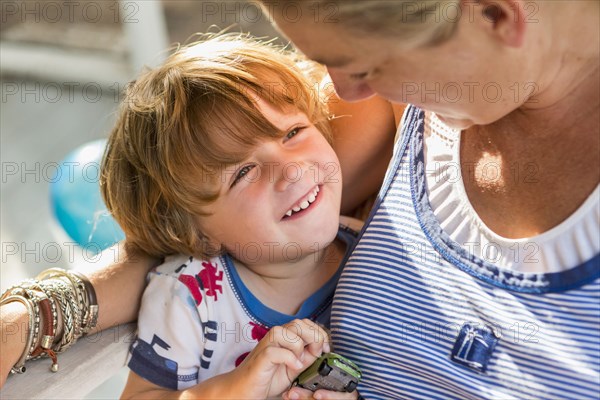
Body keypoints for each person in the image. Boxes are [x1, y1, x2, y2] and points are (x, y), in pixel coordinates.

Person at [3, 0, 598, 399]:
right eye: (327, 62)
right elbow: (202, 229)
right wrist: (39, 313)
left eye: (366, 64)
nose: (337, 92)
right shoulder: (401, 105)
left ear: (497, 13)